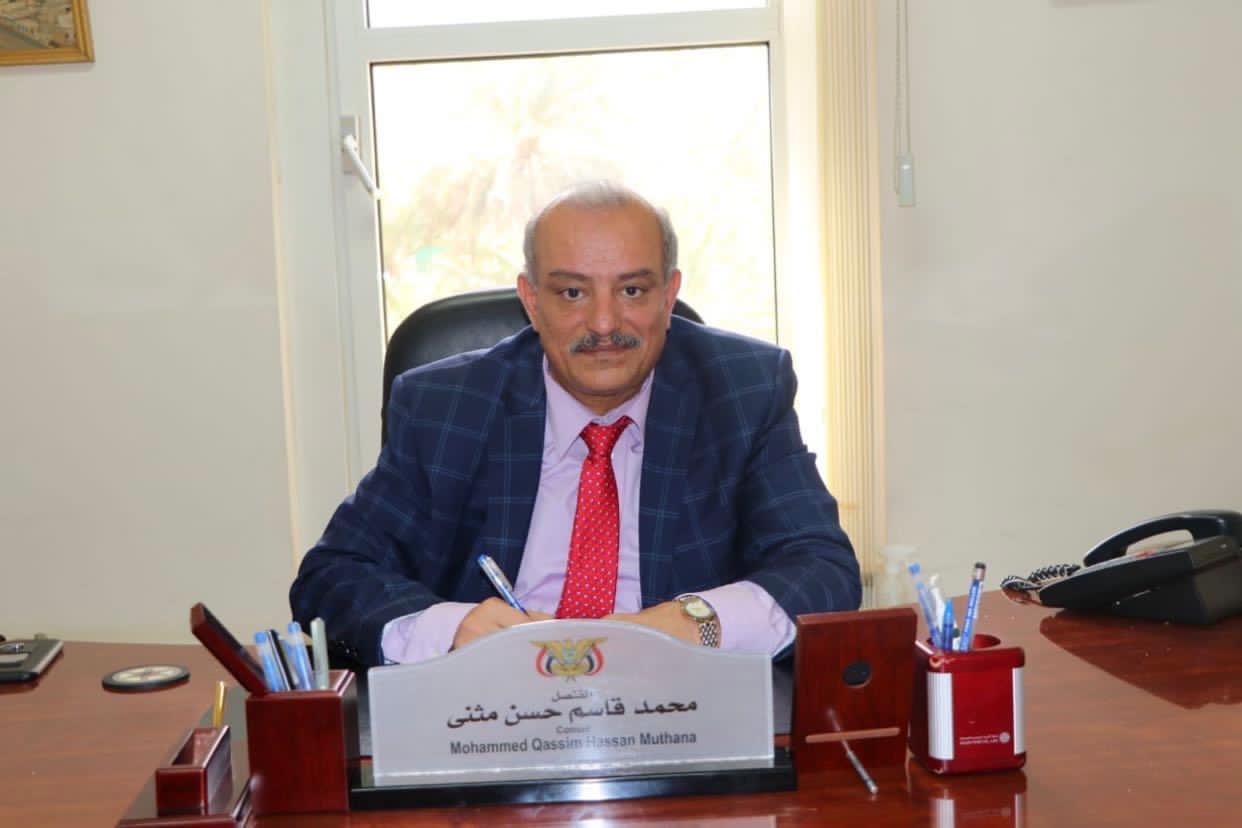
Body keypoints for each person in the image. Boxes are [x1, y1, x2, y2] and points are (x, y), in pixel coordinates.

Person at [290, 182, 860, 666]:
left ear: (669, 295)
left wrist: (699, 620)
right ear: (532, 301)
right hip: (490, 716)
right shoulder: (445, 406)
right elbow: (332, 576)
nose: (604, 322)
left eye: (632, 290)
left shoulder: (742, 391)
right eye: (572, 293)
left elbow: (822, 569)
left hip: (681, 708)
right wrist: (452, 629)